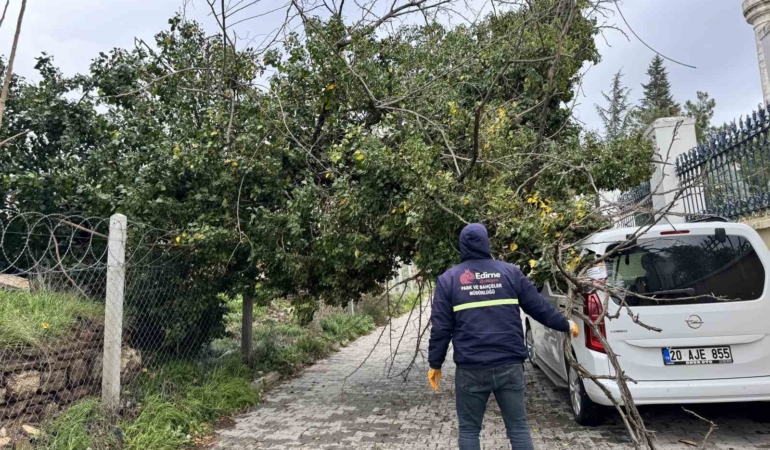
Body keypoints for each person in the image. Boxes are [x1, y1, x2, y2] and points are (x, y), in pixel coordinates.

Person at [427, 223, 579, 450]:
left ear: (462, 246)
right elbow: (538, 307)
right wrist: (565, 324)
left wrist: (435, 363)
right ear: (486, 243)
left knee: (469, 430)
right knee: (518, 428)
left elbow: (441, 327)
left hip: (471, 368)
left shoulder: (449, 280)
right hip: (509, 365)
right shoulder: (510, 273)